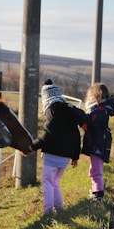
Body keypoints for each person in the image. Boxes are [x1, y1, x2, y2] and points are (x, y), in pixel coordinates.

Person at [32, 79, 87, 214]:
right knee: (55, 182)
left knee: (48, 183)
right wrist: (75, 156)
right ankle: (60, 209)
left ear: (45, 97)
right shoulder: (68, 109)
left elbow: (49, 133)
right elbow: (75, 134)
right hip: (66, 157)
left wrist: (33, 146)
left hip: (53, 156)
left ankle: (48, 211)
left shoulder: (52, 110)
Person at [81, 83, 114, 201]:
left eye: (90, 96)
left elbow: (90, 122)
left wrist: (80, 117)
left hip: (98, 143)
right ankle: (96, 191)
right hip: (99, 142)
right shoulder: (102, 109)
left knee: (96, 171)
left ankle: (98, 195)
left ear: (96, 96)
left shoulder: (99, 111)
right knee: (95, 169)